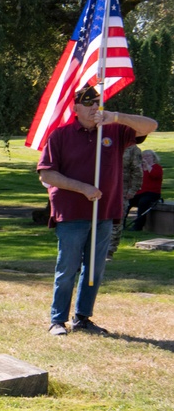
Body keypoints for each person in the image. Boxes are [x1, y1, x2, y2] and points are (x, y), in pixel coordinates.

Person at [37, 86, 157, 336]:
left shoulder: (113, 131)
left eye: (97, 103)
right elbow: (47, 173)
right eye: (87, 103)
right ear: (75, 108)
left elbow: (150, 125)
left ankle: (82, 317)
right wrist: (82, 188)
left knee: (94, 268)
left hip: (104, 211)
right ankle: (57, 320)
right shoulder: (60, 136)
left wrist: (115, 116)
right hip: (71, 212)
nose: (93, 108)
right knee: (68, 267)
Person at [107, 145, 143, 259]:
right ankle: (90, 251)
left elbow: (137, 171)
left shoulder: (132, 149)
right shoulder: (103, 142)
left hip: (121, 190)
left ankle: (109, 250)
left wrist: (133, 190)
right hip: (99, 189)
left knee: (117, 220)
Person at [125, 149, 163, 231]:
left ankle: (138, 226)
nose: (145, 158)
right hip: (139, 192)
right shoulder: (139, 169)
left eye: (148, 156)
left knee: (143, 202)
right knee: (127, 201)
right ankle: (121, 224)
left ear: (153, 157)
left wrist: (148, 166)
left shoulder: (157, 167)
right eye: (143, 157)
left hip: (152, 193)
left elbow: (155, 176)